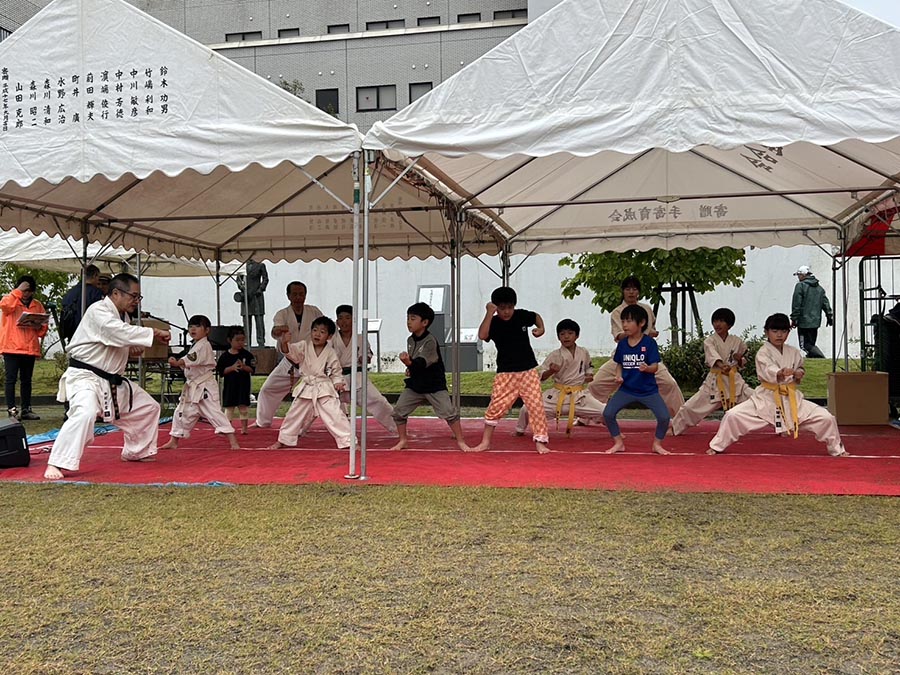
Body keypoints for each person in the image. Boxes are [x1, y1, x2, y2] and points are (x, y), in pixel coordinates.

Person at [44, 273, 171, 480]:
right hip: (86, 378)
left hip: (111, 380)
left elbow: (115, 341)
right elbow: (116, 332)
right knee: (85, 413)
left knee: (148, 408)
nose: (136, 301)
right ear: (116, 293)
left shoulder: (124, 317)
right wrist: (154, 333)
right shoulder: (98, 311)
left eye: (138, 297)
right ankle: (57, 462)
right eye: (134, 296)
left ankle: (136, 451)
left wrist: (131, 349)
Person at [708, 313, 849, 457]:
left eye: (783, 331)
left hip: (791, 399)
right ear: (766, 332)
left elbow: (800, 367)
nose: (779, 335)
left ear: (788, 332)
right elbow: (769, 369)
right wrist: (780, 373)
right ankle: (717, 445)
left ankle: (837, 449)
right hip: (766, 398)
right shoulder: (763, 353)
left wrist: (799, 373)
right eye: (775, 331)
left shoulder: (793, 351)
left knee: (826, 418)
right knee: (732, 415)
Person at [589, 276, 684, 417]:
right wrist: (637, 332)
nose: (631, 292)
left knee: (669, 384)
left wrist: (649, 333)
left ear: (638, 292)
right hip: (623, 357)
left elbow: (651, 330)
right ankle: (588, 417)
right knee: (596, 384)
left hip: (646, 358)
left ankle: (681, 418)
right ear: (623, 291)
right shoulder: (617, 312)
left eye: (634, 289)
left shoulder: (647, 309)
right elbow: (620, 336)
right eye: (628, 289)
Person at [471, 287, 549, 454]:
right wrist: (489, 313)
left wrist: (541, 328)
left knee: (536, 407)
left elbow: (536, 317)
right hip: (505, 373)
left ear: (514, 306)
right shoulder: (493, 322)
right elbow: (482, 335)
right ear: (495, 307)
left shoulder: (521, 315)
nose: (506, 312)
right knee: (495, 406)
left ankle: (540, 441)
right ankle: (485, 442)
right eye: (502, 308)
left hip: (528, 371)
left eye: (510, 307)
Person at [389, 302, 472, 452]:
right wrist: (410, 368)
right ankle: (403, 440)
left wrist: (409, 363)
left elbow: (422, 362)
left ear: (425, 322)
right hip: (416, 385)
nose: (408, 322)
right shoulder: (410, 340)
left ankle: (461, 441)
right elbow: (415, 363)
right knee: (399, 412)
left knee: (449, 412)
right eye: (408, 318)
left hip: (434, 385)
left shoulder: (430, 341)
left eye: (413, 319)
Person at [267, 316, 353, 450]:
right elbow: (291, 353)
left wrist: (337, 382)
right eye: (315, 330)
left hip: (324, 387)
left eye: (322, 332)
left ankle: (348, 441)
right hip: (307, 386)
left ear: (329, 336)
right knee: (294, 414)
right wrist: (284, 342)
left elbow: (335, 371)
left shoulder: (330, 353)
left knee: (335, 415)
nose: (317, 334)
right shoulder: (303, 346)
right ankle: (284, 439)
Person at [160, 315, 240, 450]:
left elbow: (191, 359)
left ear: (207, 330)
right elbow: (190, 361)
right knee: (181, 412)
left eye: (197, 326)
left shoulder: (203, 345)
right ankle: (174, 441)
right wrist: (179, 362)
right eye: (191, 326)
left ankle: (233, 441)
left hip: (205, 387)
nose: (193, 329)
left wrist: (178, 362)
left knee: (214, 413)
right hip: (194, 386)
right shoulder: (196, 345)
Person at [515, 318, 605, 437]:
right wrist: (551, 371)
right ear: (558, 337)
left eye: (570, 333)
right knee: (527, 409)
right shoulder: (555, 355)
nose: (566, 337)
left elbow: (588, 366)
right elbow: (541, 376)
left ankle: (615, 432)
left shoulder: (583, 352)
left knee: (606, 411)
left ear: (577, 336)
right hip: (557, 395)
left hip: (579, 397)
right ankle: (519, 430)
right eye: (562, 334)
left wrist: (589, 374)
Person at [670, 308, 752, 435]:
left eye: (721, 321)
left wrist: (740, 359)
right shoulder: (710, 341)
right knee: (691, 406)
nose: (717, 324)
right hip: (715, 381)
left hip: (734, 381)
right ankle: (675, 428)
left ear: (729, 325)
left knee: (756, 401)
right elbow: (711, 354)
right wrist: (721, 365)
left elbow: (744, 358)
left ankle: (780, 425)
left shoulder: (737, 341)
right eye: (715, 321)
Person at [602, 304, 671, 455]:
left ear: (641, 323)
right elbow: (619, 364)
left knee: (664, 417)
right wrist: (618, 375)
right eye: (623, 321)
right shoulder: (622, 344)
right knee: (608, 414)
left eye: (629, 321)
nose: (624, 325)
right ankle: (618, 443)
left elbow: (655, 367)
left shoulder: (649, 343)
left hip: (648, 390)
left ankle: (657, 444)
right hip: (626, 389)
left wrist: (647, 368)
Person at [255, 281, 324, 428]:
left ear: (305, 295)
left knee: (326, 390)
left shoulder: (314, 311)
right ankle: (263, 421)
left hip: (312, 361)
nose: (298, 297)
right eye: (295, 294)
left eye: (301, 294)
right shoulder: (282, 314)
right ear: (288, 296)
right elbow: (275, 332)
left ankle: (340, 419)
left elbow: (325, 327)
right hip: (290, 360)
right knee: (268, 389)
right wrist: (279, 330)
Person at [333, 304, 397, 434]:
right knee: (316, 403)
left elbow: (368, 355)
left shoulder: (361, 338)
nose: (344, 321)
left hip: (358, 378)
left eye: (347, 318)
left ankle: (397, 428)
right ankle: (295, 431)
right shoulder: (331, 339)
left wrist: (364, 358)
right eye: (341, 318)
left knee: (379, 401)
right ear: (337, 322)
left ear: (353, 320)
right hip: (336, 378)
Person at [0, 275, 49, 420]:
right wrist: (17, 291)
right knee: (11, 379)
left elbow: (43, 327)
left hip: (29, 348)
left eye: (29, 291)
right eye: (24, 290)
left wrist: (39, 326)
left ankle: (26, 408)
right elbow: (5, 306)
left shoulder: (37, 305)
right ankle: (12, 410)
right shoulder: (10, 300)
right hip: (11, 347)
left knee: (26, 380)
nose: (26, 293)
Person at [216, 325, 256, 435]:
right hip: (230, 386)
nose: (240, 343)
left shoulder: (247, 355)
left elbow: (252, 369)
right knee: (229, 408)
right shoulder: (224, 356)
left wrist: (244, 367)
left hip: (243, 386)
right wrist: (232, 368)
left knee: (243, 407)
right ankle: (227, 427)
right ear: (230, 340)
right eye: (237, 340)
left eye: (242, 340)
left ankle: (244, 428)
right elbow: (221, 371)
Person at [790, 265, 833, 358]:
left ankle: (820, 357)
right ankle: (812, 357)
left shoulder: (800, 286)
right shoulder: (820, 288)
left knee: (805, 345)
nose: (798, 277)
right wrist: (829, 316)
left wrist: (794, 318)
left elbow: (796, 303)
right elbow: (825, 303)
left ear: (803, 275)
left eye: (799, 275)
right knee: (811, 343)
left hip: (803, 321)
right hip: (816, 321)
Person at [60, 264, 105, 341]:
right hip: (88, 336)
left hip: (72, 336)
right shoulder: (96, 293)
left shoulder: (70, 293)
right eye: (98, 277)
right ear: (95, 275)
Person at [235, 259, 269, 347]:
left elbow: (265, 279)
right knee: (246, 323)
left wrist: (260, 289)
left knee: (259, 322)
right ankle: (247, 342)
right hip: (246, 297)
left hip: (257, 297)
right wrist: (242, 287)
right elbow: (238, 279)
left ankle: (261, 342)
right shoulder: (242, 266)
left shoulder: (260, 265)